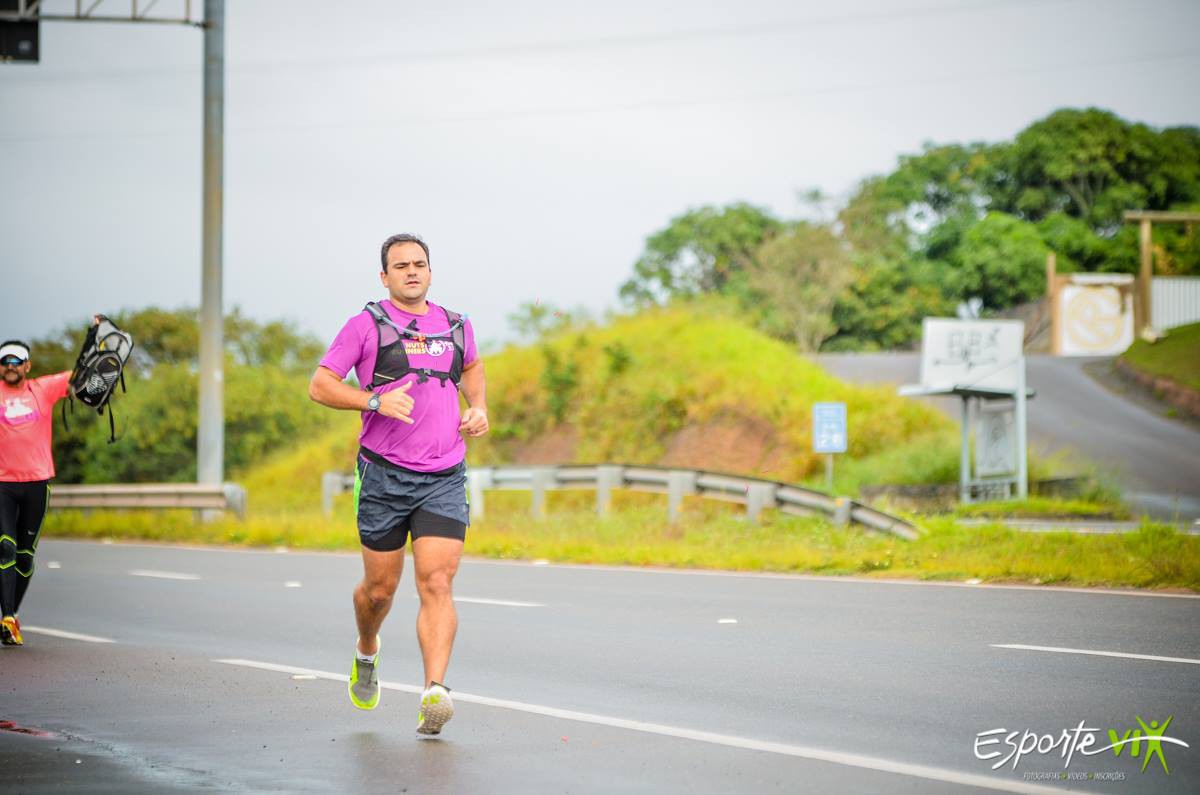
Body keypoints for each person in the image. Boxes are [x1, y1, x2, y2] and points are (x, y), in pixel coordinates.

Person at [308, 233, 488, 736]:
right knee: (379, 591)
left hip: (444, 474)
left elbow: (472, 366)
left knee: (437, 581)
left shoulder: (455, 325)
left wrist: (478, 407)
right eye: (401, 266)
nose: (412, 272)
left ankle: (435, 692)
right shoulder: (365, 325)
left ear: (430, 271)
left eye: (419, 264)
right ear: (384, 276)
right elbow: (320, 385)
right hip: (384, 474)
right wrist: (373, 401)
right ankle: (367, 649)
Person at [0, 339, 72, 645]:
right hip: (2, 484)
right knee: (5, 548)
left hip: (37, 484)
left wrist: (97, 337)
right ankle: (6, 616)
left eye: (17, 362)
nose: (11, 366)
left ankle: (12, 616)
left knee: (25, 556)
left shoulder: (43, 389)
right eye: (5, 362)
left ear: (27, 366)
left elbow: (83, 374)